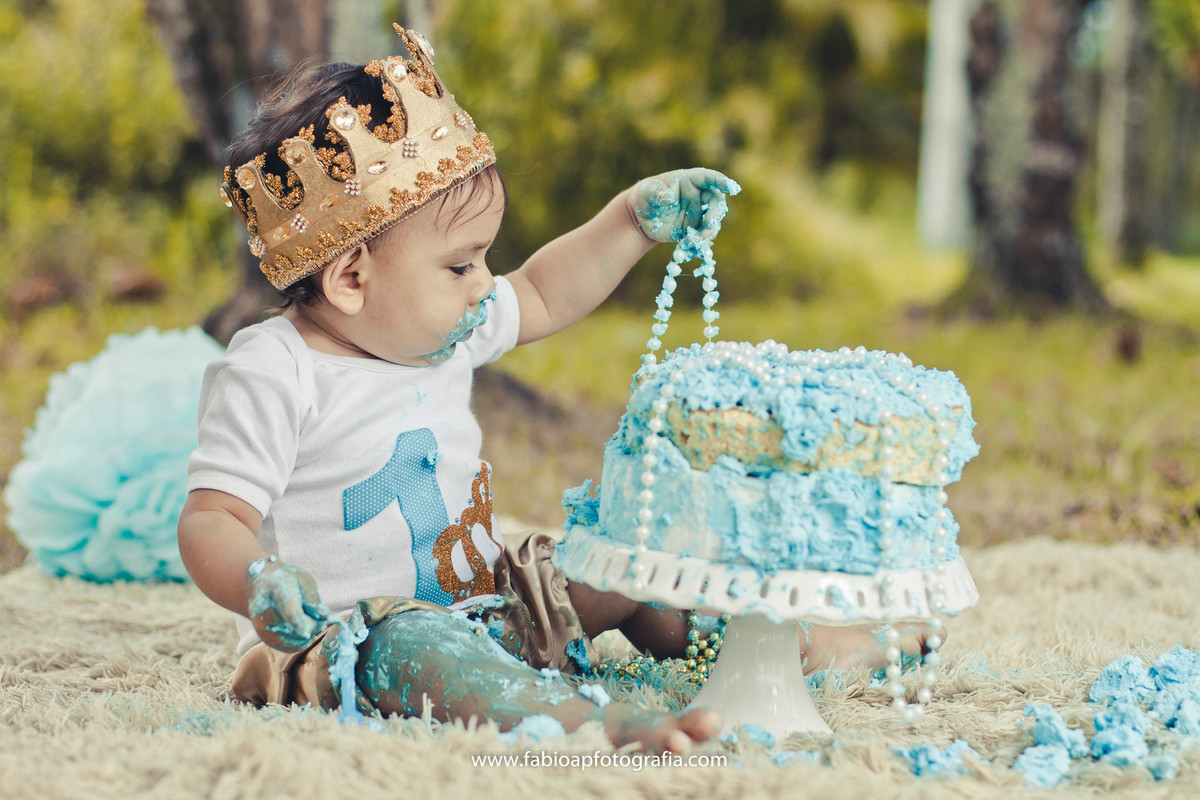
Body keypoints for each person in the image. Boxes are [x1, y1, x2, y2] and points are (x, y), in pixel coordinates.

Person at [179, 25, 925, 754]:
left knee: (616, 567)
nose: (484, 286)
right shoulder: (274, 371)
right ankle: (586, 724)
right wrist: (258, 582)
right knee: (414, 640)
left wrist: (630, 220)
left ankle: (781, 647)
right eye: (462, 264)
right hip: (349, 646)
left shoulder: (440, 325)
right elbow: (212, 518)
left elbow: (540, 292)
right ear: (350, 278)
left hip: (492, 610)